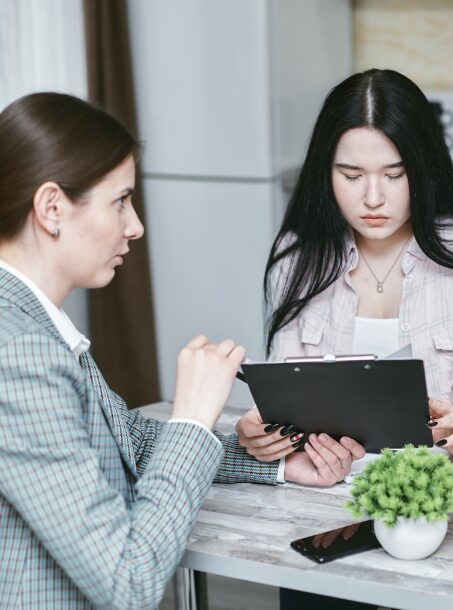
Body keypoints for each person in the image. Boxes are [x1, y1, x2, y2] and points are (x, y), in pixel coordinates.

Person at [0, 92, 364, 609]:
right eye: (120, 201)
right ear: (52, 207)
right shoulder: (20, 353)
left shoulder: (33, 324)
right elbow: (129, 583)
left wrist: (280, 466)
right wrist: (192, 417)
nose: (136, 226)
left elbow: (124, 442)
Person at [234, 68, 453, 610]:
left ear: (425, 168)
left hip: (436, 506)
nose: (372, 197)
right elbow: (287, 390)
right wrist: (266, 433)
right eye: (351, 174)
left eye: (394, 173)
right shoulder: (296, 258)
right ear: (325, 173)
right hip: (321, 507)